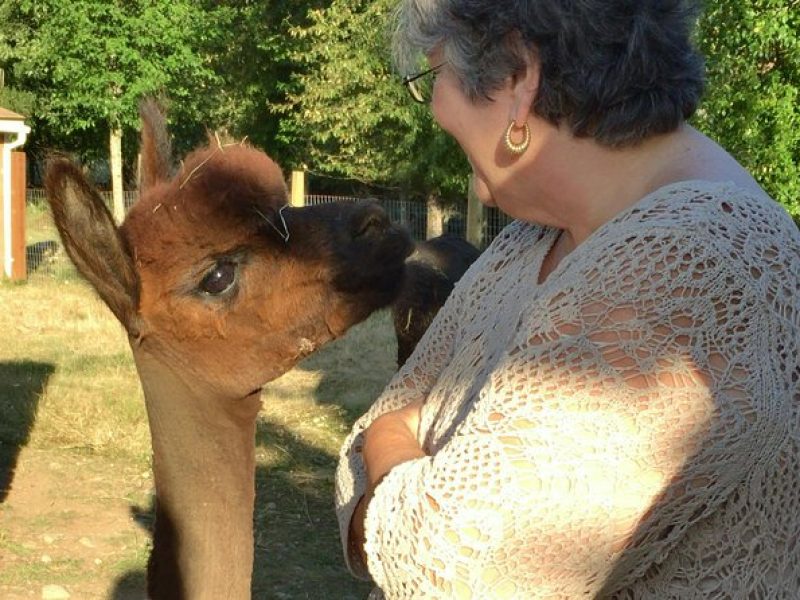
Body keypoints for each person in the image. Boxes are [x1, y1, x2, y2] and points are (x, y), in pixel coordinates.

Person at [335, 0, 800, 597]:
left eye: (434, 74)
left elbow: (449, 573)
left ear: (519, 78)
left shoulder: (688, 266)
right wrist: (401, 465)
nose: (433, 106)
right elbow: (361, 467)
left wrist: (388, 443)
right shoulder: (531, 241)